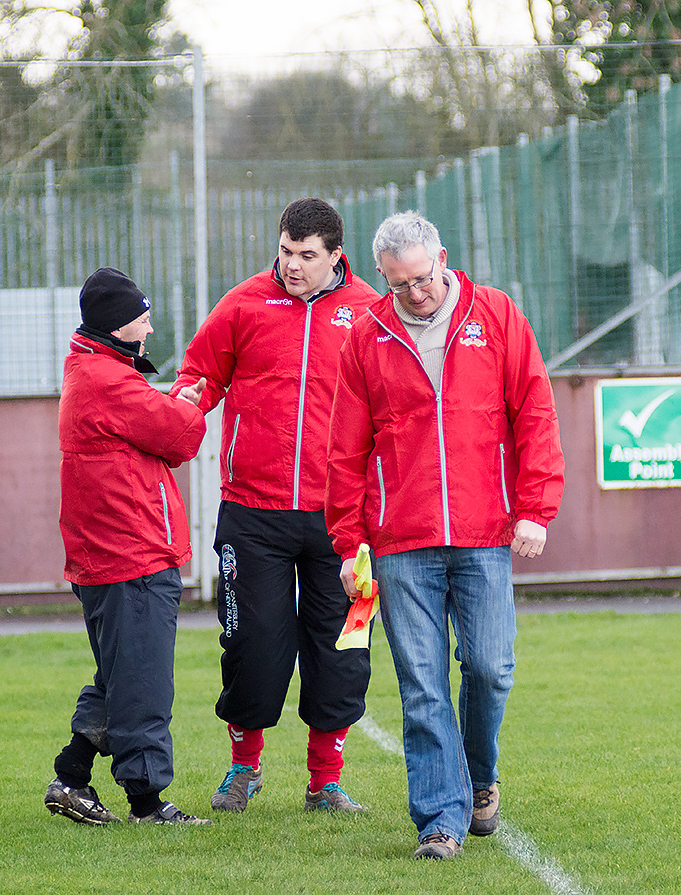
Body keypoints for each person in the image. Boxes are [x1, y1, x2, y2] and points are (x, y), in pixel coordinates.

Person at [325, 212, 564, 859]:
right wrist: (349, 543)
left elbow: (536, 413)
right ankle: (440, 819)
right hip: (401, 542)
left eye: (424, 279)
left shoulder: (498, 315)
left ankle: (480, 776)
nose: (417, 294)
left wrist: (536, 507)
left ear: (443, 259)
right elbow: (344, 450)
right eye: (401, 285)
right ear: (384, 277)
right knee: (422, 685)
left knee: (490, 668)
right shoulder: (367, 336)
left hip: (486, 531)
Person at [170, 198, 381, 814]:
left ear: (335, 255)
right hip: (252, 514)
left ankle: (327, 781)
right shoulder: (241, 304)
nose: (292, 265)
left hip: (348, 521)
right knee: (252, 648)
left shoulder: (372, 313)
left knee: (345, 648)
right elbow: (199, 375)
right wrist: (179, 411)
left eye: (306, 256)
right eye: (286, 251)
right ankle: (244, 767)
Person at [44, 267, 211, 827]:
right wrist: (191, 400)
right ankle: (147, 802)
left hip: (109, 555)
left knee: (119, 674)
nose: (149, 324)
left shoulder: (94, 372)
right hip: (130, 555)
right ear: (118, 326)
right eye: (141, 316)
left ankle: (70, 779)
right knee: (142, 684)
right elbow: (181, 436)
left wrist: (169, 401)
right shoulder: (108, 381)